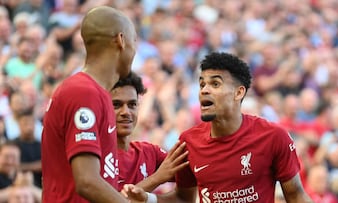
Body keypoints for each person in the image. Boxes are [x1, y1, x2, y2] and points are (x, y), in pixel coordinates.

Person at [123, 52, 313, 203]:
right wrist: (149, 199)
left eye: (215, 84)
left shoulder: (274, 136)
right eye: (202, 84)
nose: (204, 89)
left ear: (239, 93)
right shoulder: (188, 142)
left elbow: (296, 196)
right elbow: (183, 199)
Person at [41, 5, 137, 203]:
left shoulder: (94, 93)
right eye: (134, 41)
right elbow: (87, 181)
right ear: (121, 40)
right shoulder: (84, 93)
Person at [110, 71, 189, 192]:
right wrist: (157, 178)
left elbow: (194, 171)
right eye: (116, 105)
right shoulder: (95, 156)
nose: (126, 112)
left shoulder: (149, 152)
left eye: (132, 105)